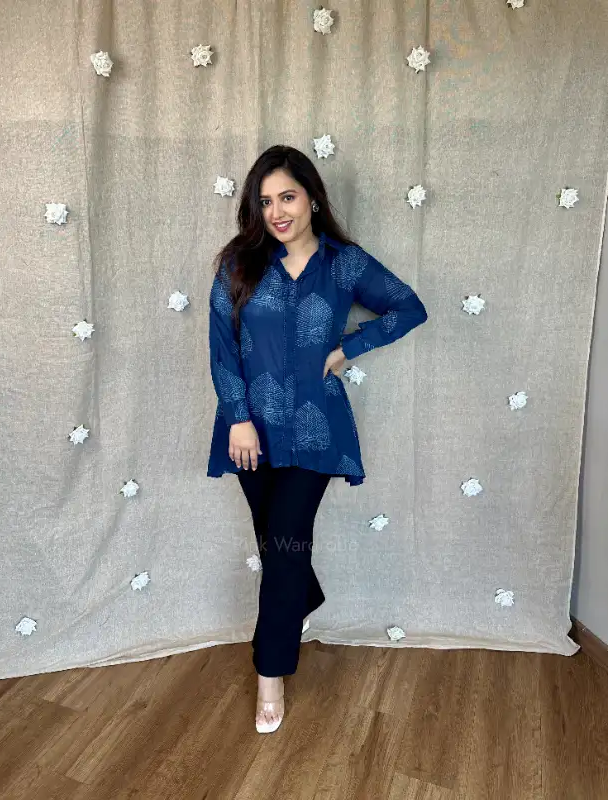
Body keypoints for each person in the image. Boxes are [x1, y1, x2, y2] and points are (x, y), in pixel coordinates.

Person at [207, 144, 428, 733]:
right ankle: (300, 601)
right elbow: (223, 348)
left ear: (312, 198)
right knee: (276, 543)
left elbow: (408, 308)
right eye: (265, 202)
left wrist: (350, 348)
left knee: (284, 548)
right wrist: (238, 417)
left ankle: (270, 673)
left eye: (287, 197)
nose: (277, 212)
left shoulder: (344, 265)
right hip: (250, 431)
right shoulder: (238, 264)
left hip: (314, 428)